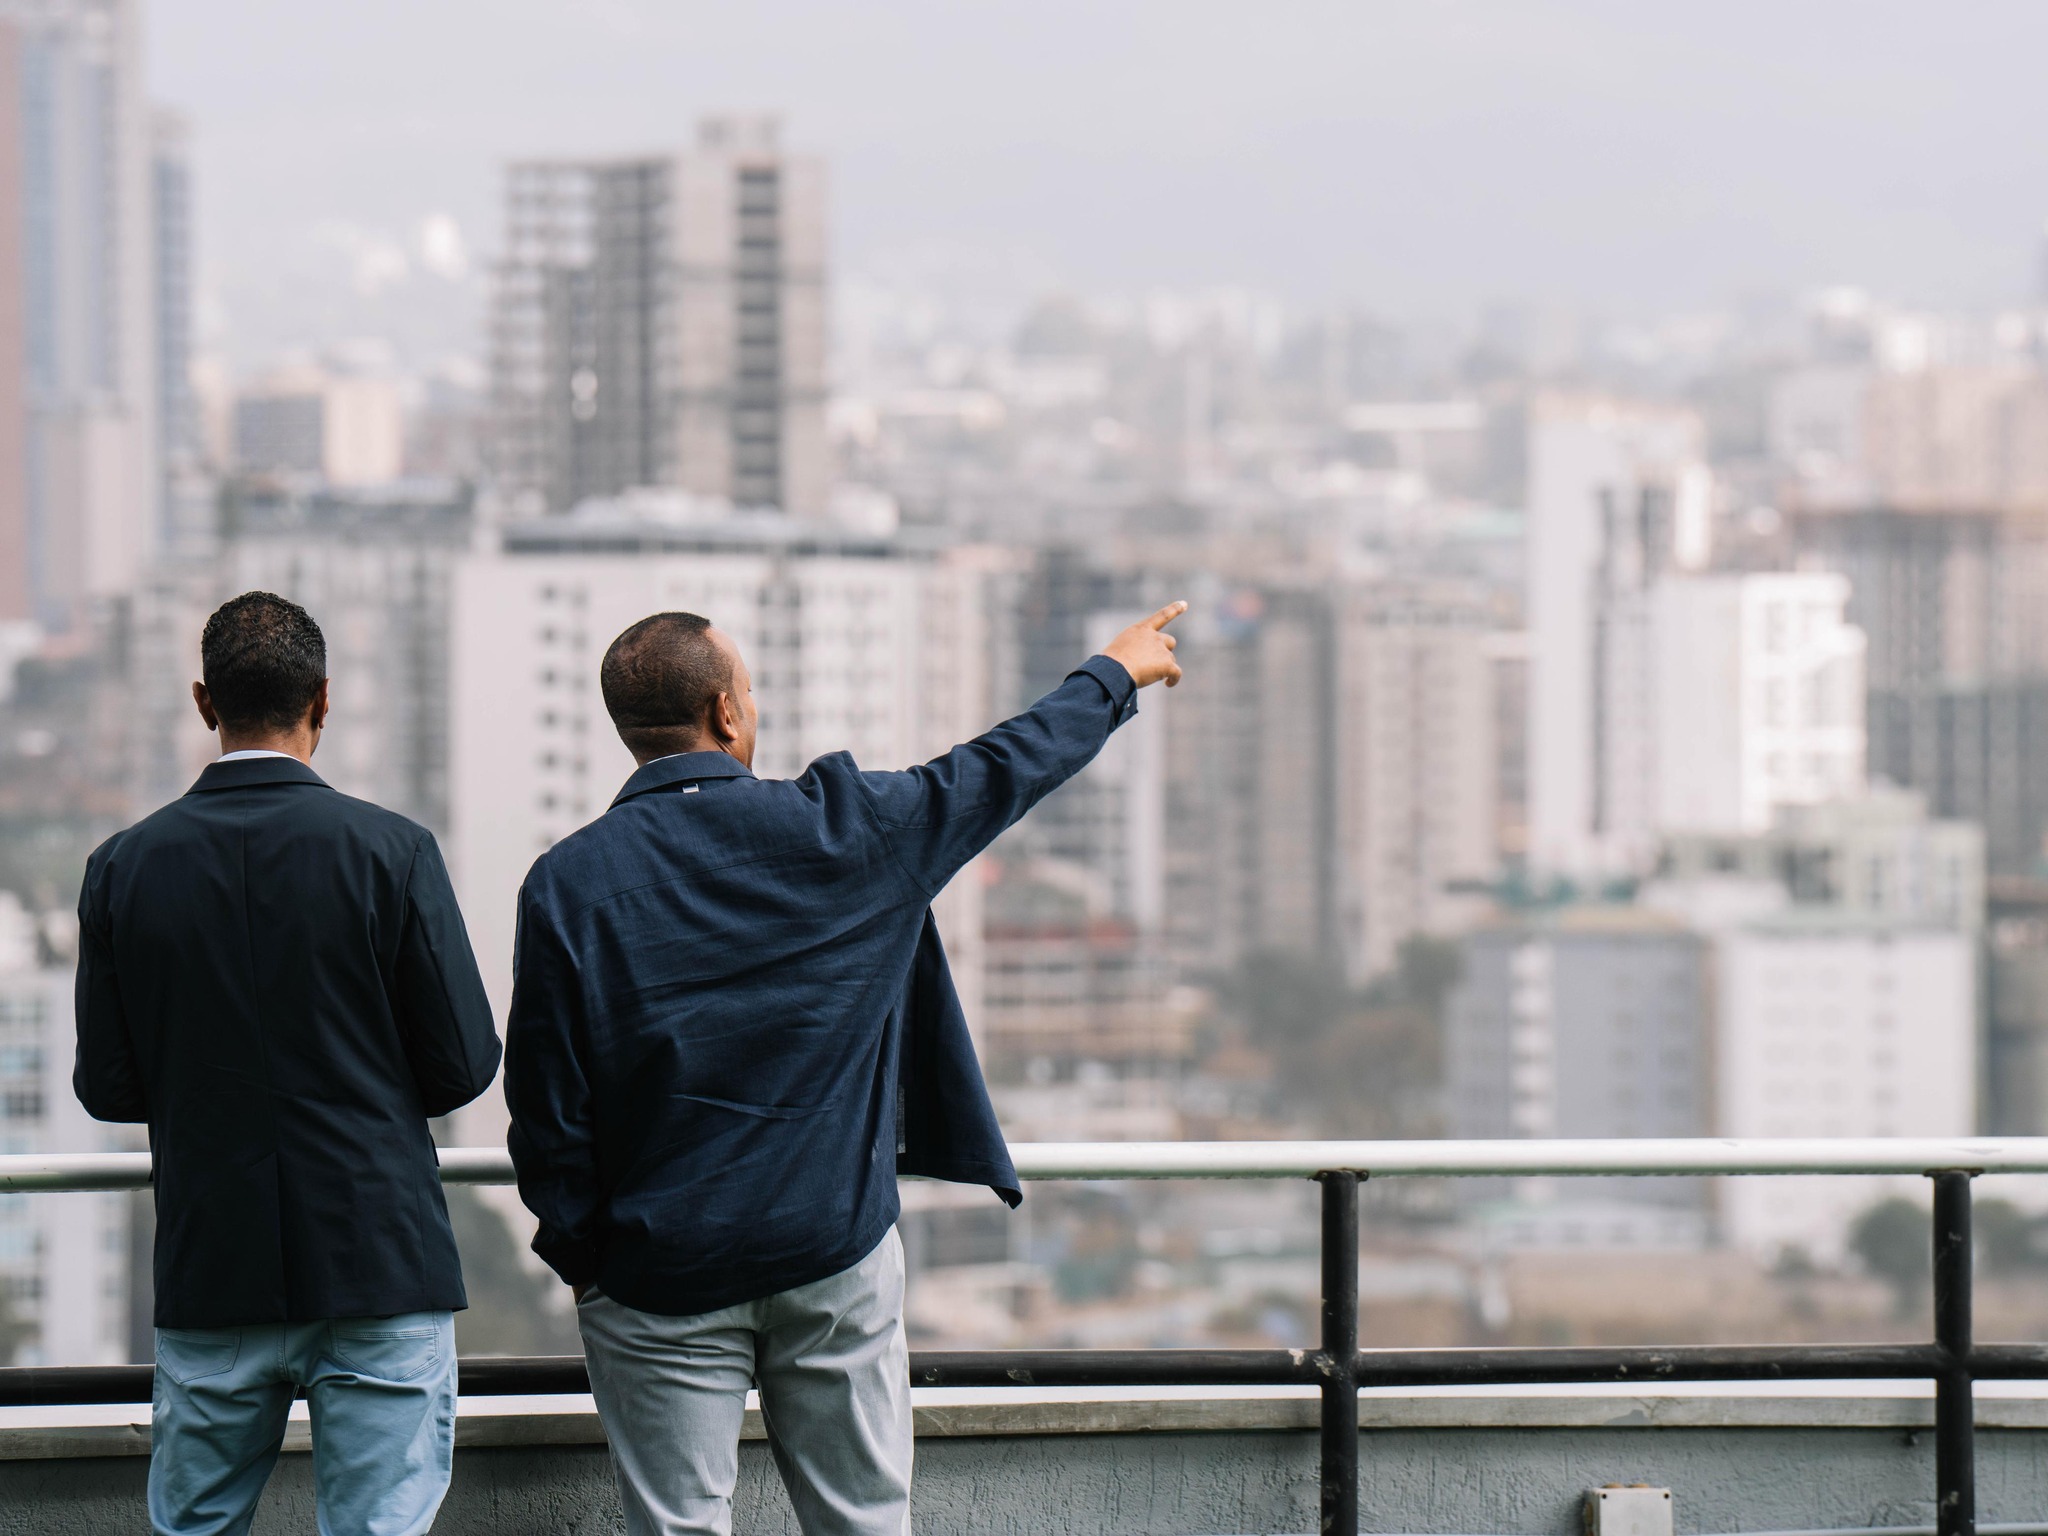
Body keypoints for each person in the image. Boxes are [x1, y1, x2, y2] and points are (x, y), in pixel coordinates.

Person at [504, 601, 1187, 1535]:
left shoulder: (567, 883)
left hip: (659, 1270)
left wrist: (585, 1261)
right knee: (863, 1523)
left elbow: (547, 1101)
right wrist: (1113, 673)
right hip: (831, 1250)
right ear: (725, 712)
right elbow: (1000, 769)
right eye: (749, 690)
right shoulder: (850, 827)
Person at [74, 591, 502, 1536]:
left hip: (213, 1266)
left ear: (204, 703)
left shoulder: (122, 868)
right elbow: (464, 1067)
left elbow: (106, 1087)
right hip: (378, 1261)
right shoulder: (393, 852)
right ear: (323, 699)